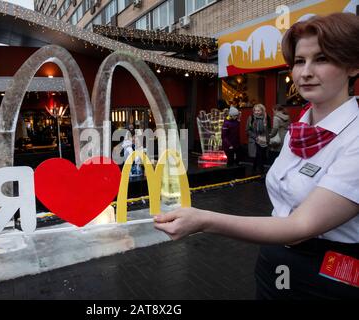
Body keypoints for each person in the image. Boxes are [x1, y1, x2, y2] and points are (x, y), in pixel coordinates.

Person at [154, 13, 359, 299]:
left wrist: (204, 220)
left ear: (352, 66)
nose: (305, 72)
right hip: (274, 263)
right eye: (299, 61)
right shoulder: (299, 129)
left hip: (328, 274)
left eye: (322, 59)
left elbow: (300, 227)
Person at [246, 104, 270, 173]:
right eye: (255, 110)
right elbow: (247, 130)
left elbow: (269, 128)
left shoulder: (266, 117)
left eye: (258, 111)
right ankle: (261, 171)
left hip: (263, 140)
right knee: (258, 155)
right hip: (255, 139)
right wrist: (256, 137)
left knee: (260, 155)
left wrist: (267, 137)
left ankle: (254, 168)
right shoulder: (251, 118)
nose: (256, 112)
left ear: (262, 111)